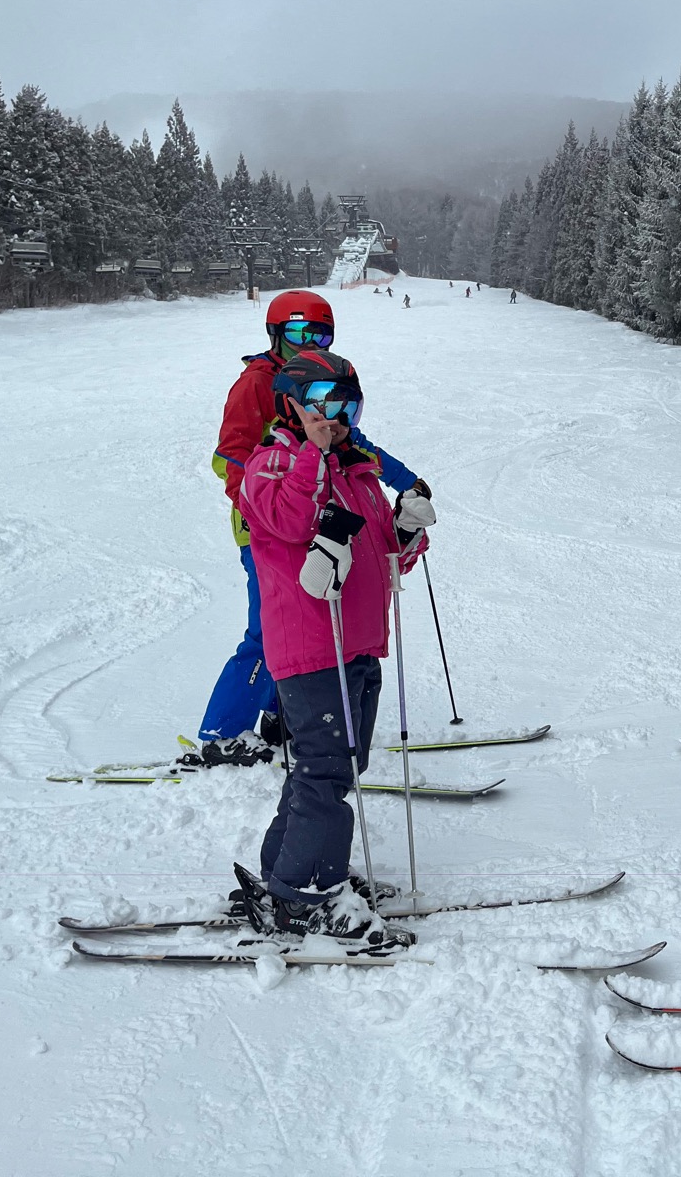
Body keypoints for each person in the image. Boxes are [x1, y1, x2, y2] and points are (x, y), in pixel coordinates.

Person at [235, 353, 434, 948]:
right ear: (290, 404)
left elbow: (385, 558)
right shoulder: (271, 464)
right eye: (324, 402)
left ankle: (291, 871)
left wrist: (405, 531)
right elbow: (292, 522)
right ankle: (303, 898)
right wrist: (313, 455)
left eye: (348, 405)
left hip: (359, 643)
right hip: (312, 646)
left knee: (334, 768)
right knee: (325, 770)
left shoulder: (356, 471)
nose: (337, 417)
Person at [184, 290, 425, 767]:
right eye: (298, 332)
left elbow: (354, 443)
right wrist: (258, 510)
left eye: (321, 334)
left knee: (311, 625)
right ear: (276, 334)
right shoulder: (260, 383)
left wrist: (405, 480)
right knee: (271, 628)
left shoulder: (320, 379)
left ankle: (287, 719)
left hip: (317, 517)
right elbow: (230, 455)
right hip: (270, 523)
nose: (309, 341)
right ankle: (222, 734)